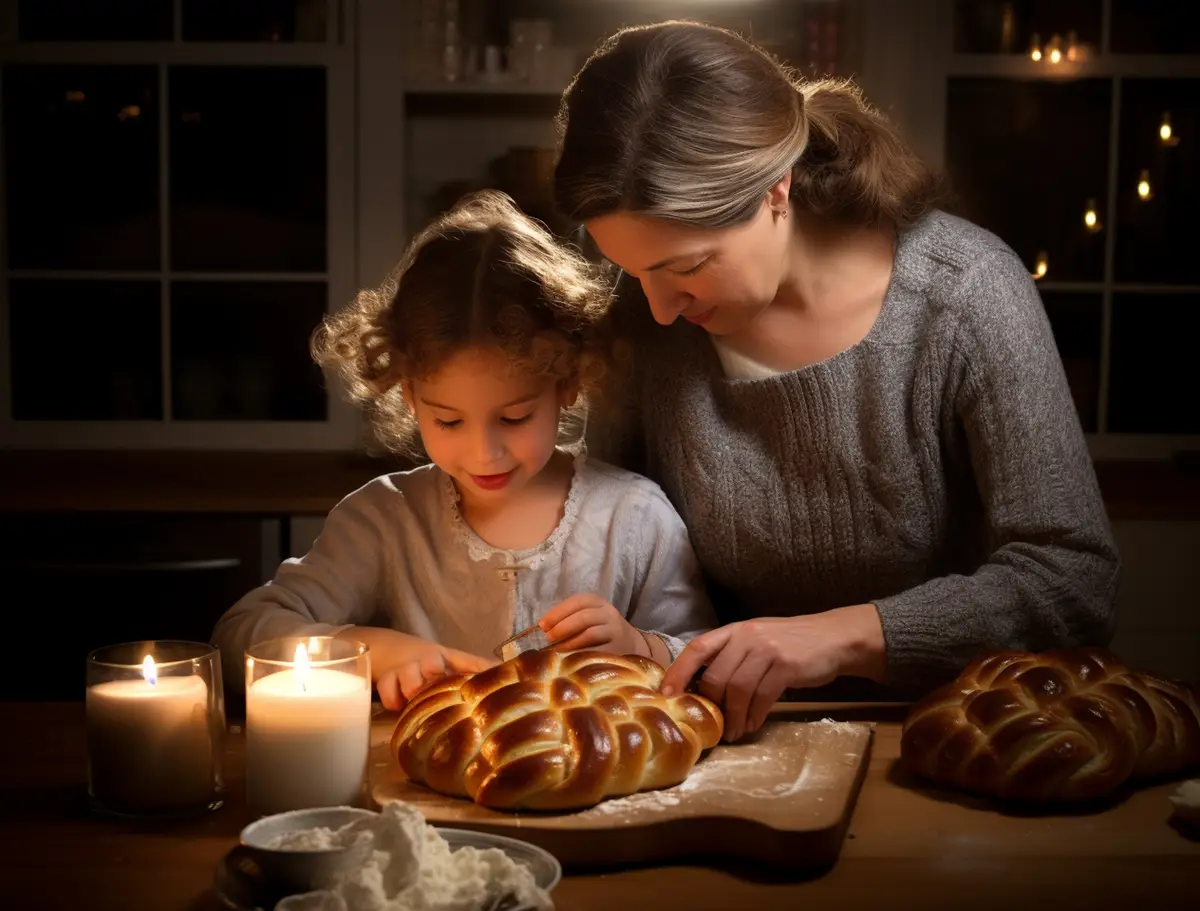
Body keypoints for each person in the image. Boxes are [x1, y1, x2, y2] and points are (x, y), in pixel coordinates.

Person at [553, 20, 1120, 741]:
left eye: (687, 266)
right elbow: (614, 555)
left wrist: (834, 639)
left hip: (956, 738)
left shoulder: (965, 295)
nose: (659, 308)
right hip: (717, 745)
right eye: (635, 271)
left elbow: (1072, 583)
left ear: (775, 189)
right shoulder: (643, 319)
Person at [211, 190, 715, 709]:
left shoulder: (633, 517)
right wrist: (368, 649)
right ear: (408, 396)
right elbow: (239, 636)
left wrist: (639, 648)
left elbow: (707, 663)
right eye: (448, 420)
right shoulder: (385, 519)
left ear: (568, 383)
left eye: (514, 417)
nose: (484, 454)